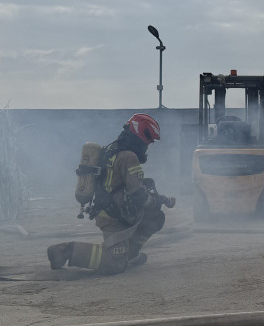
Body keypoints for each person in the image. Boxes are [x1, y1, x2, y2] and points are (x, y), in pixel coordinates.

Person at [47, 113, 175, 275]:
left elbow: (120, 183)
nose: (147, 147)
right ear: (140, 137)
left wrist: (153, 194)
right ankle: (66, 251)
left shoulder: (111, 150)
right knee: (115, 264)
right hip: (113, 217)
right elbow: (139, 196)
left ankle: (129, 254)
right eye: (147, 142)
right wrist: (156, 201)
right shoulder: (129, 157)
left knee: (155, 217)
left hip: (112, 211)